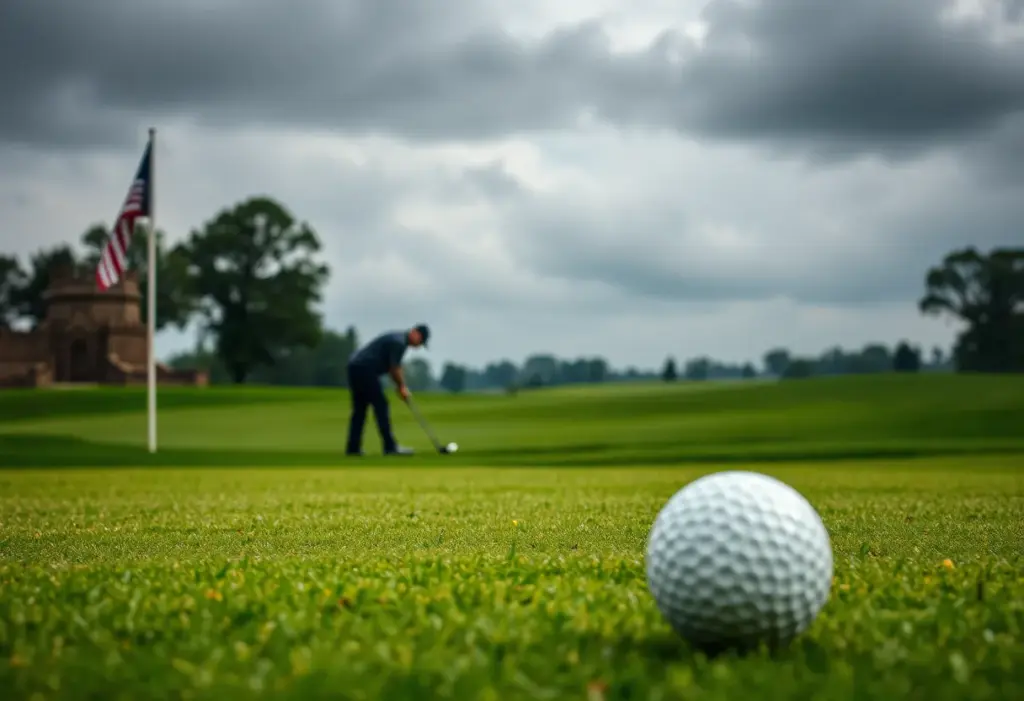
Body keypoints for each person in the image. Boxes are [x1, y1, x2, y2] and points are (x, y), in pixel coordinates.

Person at [345, 324, 430, 456]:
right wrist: (401, 387)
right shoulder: (399, 343)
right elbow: (394, 369)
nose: (419, 346)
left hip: (355, 367)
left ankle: (353, 448)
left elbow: (394, 367)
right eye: (421, 341)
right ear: (415, 333)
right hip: (364, 369)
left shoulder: (398, 339)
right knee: (381, 405)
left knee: (360, 409)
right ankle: (390, 446)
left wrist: (400, 386)